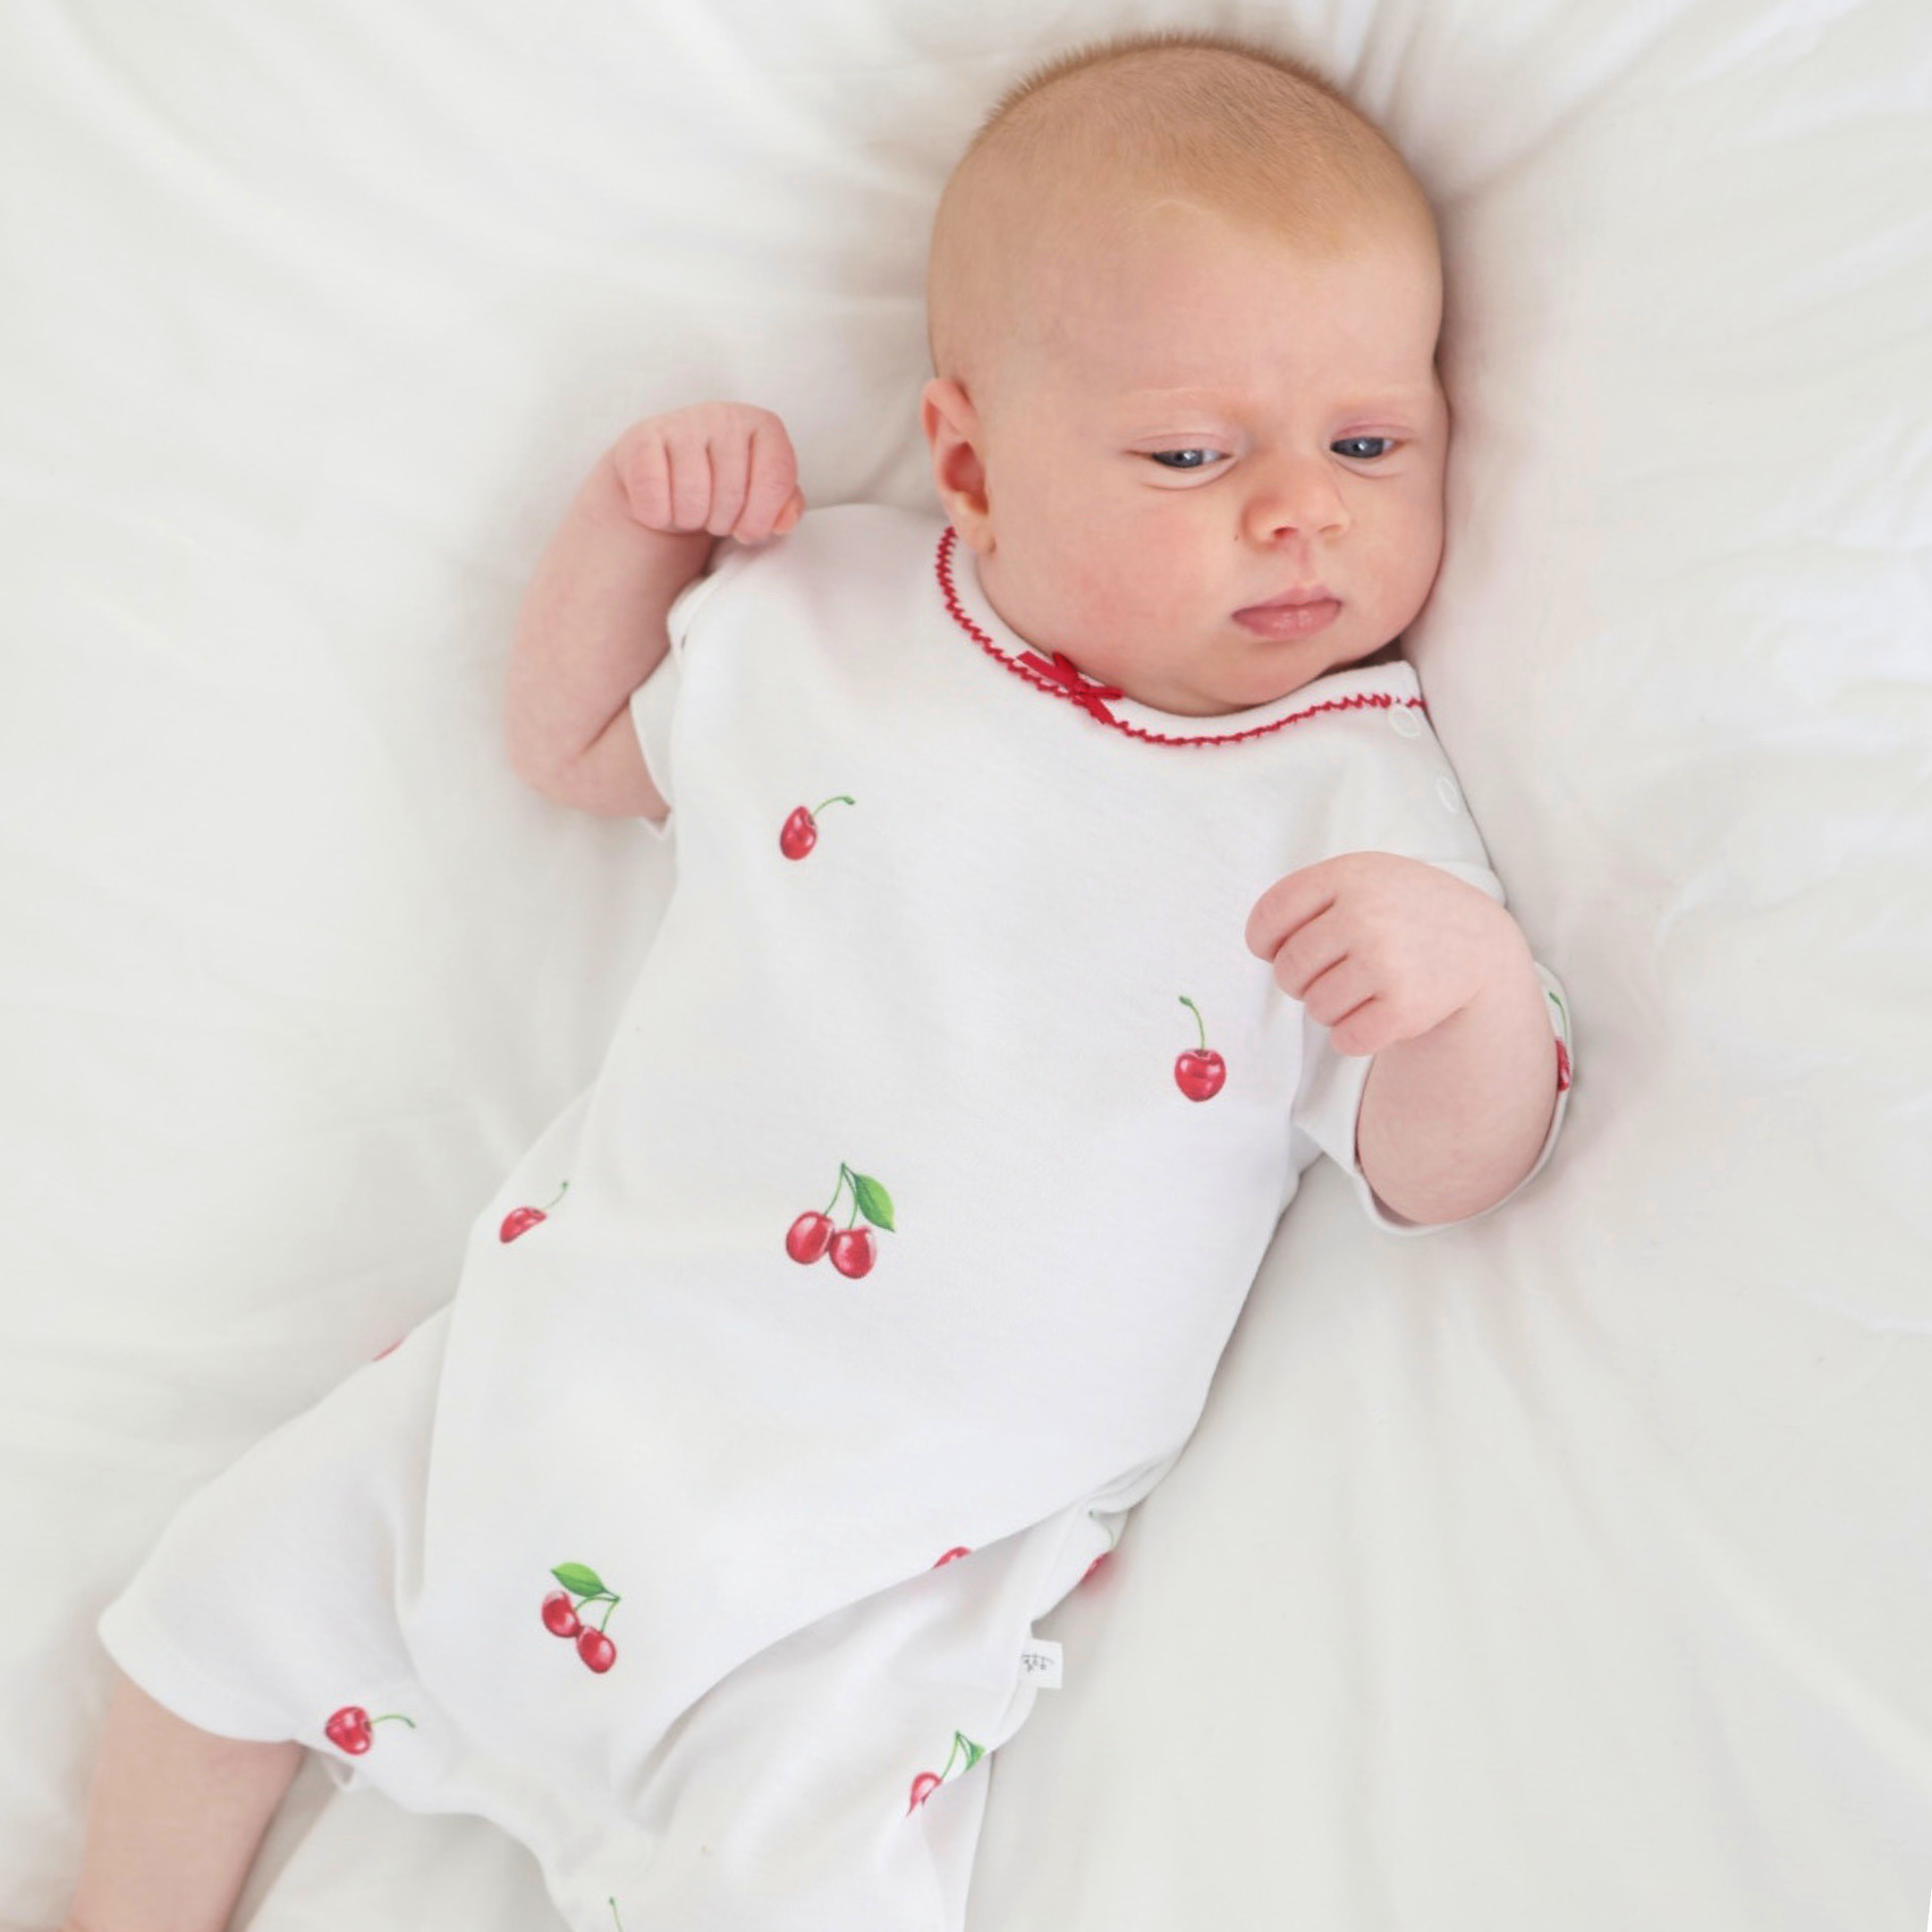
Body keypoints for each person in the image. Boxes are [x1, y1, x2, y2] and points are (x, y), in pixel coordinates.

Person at [64, 27, 1574, 1932]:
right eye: (1192, 455)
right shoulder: (832, 616)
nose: (1301, 511)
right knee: (211, 1615)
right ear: (972, 464)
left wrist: (1472, 995)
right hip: (556, 1385)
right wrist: (633, 531)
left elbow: (1451, 1173)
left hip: (866, 1587)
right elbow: (579, 748)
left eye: (1371, 444)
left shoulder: (1357, 801)